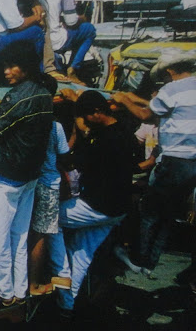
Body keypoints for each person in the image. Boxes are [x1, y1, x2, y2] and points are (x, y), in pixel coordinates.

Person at [111, 52, 196, 279]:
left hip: (174, 160)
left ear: (169, 71)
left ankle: (139, 259)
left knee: (150, 210)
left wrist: (124, 100)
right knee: (168, 214)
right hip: (192, 161)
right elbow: (161, 109)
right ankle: (150, 262)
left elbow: (146, 115)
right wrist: (133, 97)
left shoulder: (171, 89)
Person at [52, 89, 136, 319]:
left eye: (87, 116)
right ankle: (66, 305)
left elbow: (72, 161)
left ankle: (59, 277)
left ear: (97, 112)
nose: (85, 121)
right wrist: (77, 103)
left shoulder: (104, 140)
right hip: (118, 210)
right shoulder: (125, 131)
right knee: (81, 251)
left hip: (98, 207)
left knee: (48, 219)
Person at [0, 43, 53, 306]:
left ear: (26, 68)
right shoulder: (45, 94)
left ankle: (2, 290)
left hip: (7, 176)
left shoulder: (17, 98)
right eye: (5, 66)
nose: (7, 71)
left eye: (13, 66)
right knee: (19, 236)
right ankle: (20, 290)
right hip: (30, 177)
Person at [27, 74, 72, 296]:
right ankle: (34, 283)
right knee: (41, 235)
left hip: (25, 183)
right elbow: (65, 155)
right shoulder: (55, 126)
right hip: (48, 185)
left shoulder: (25, 119)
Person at [34, 0, 96, 84]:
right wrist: (82, 18)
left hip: (39, 33)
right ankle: (73, 69)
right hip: (54, 40)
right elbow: (72, 22)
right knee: (89, 30)